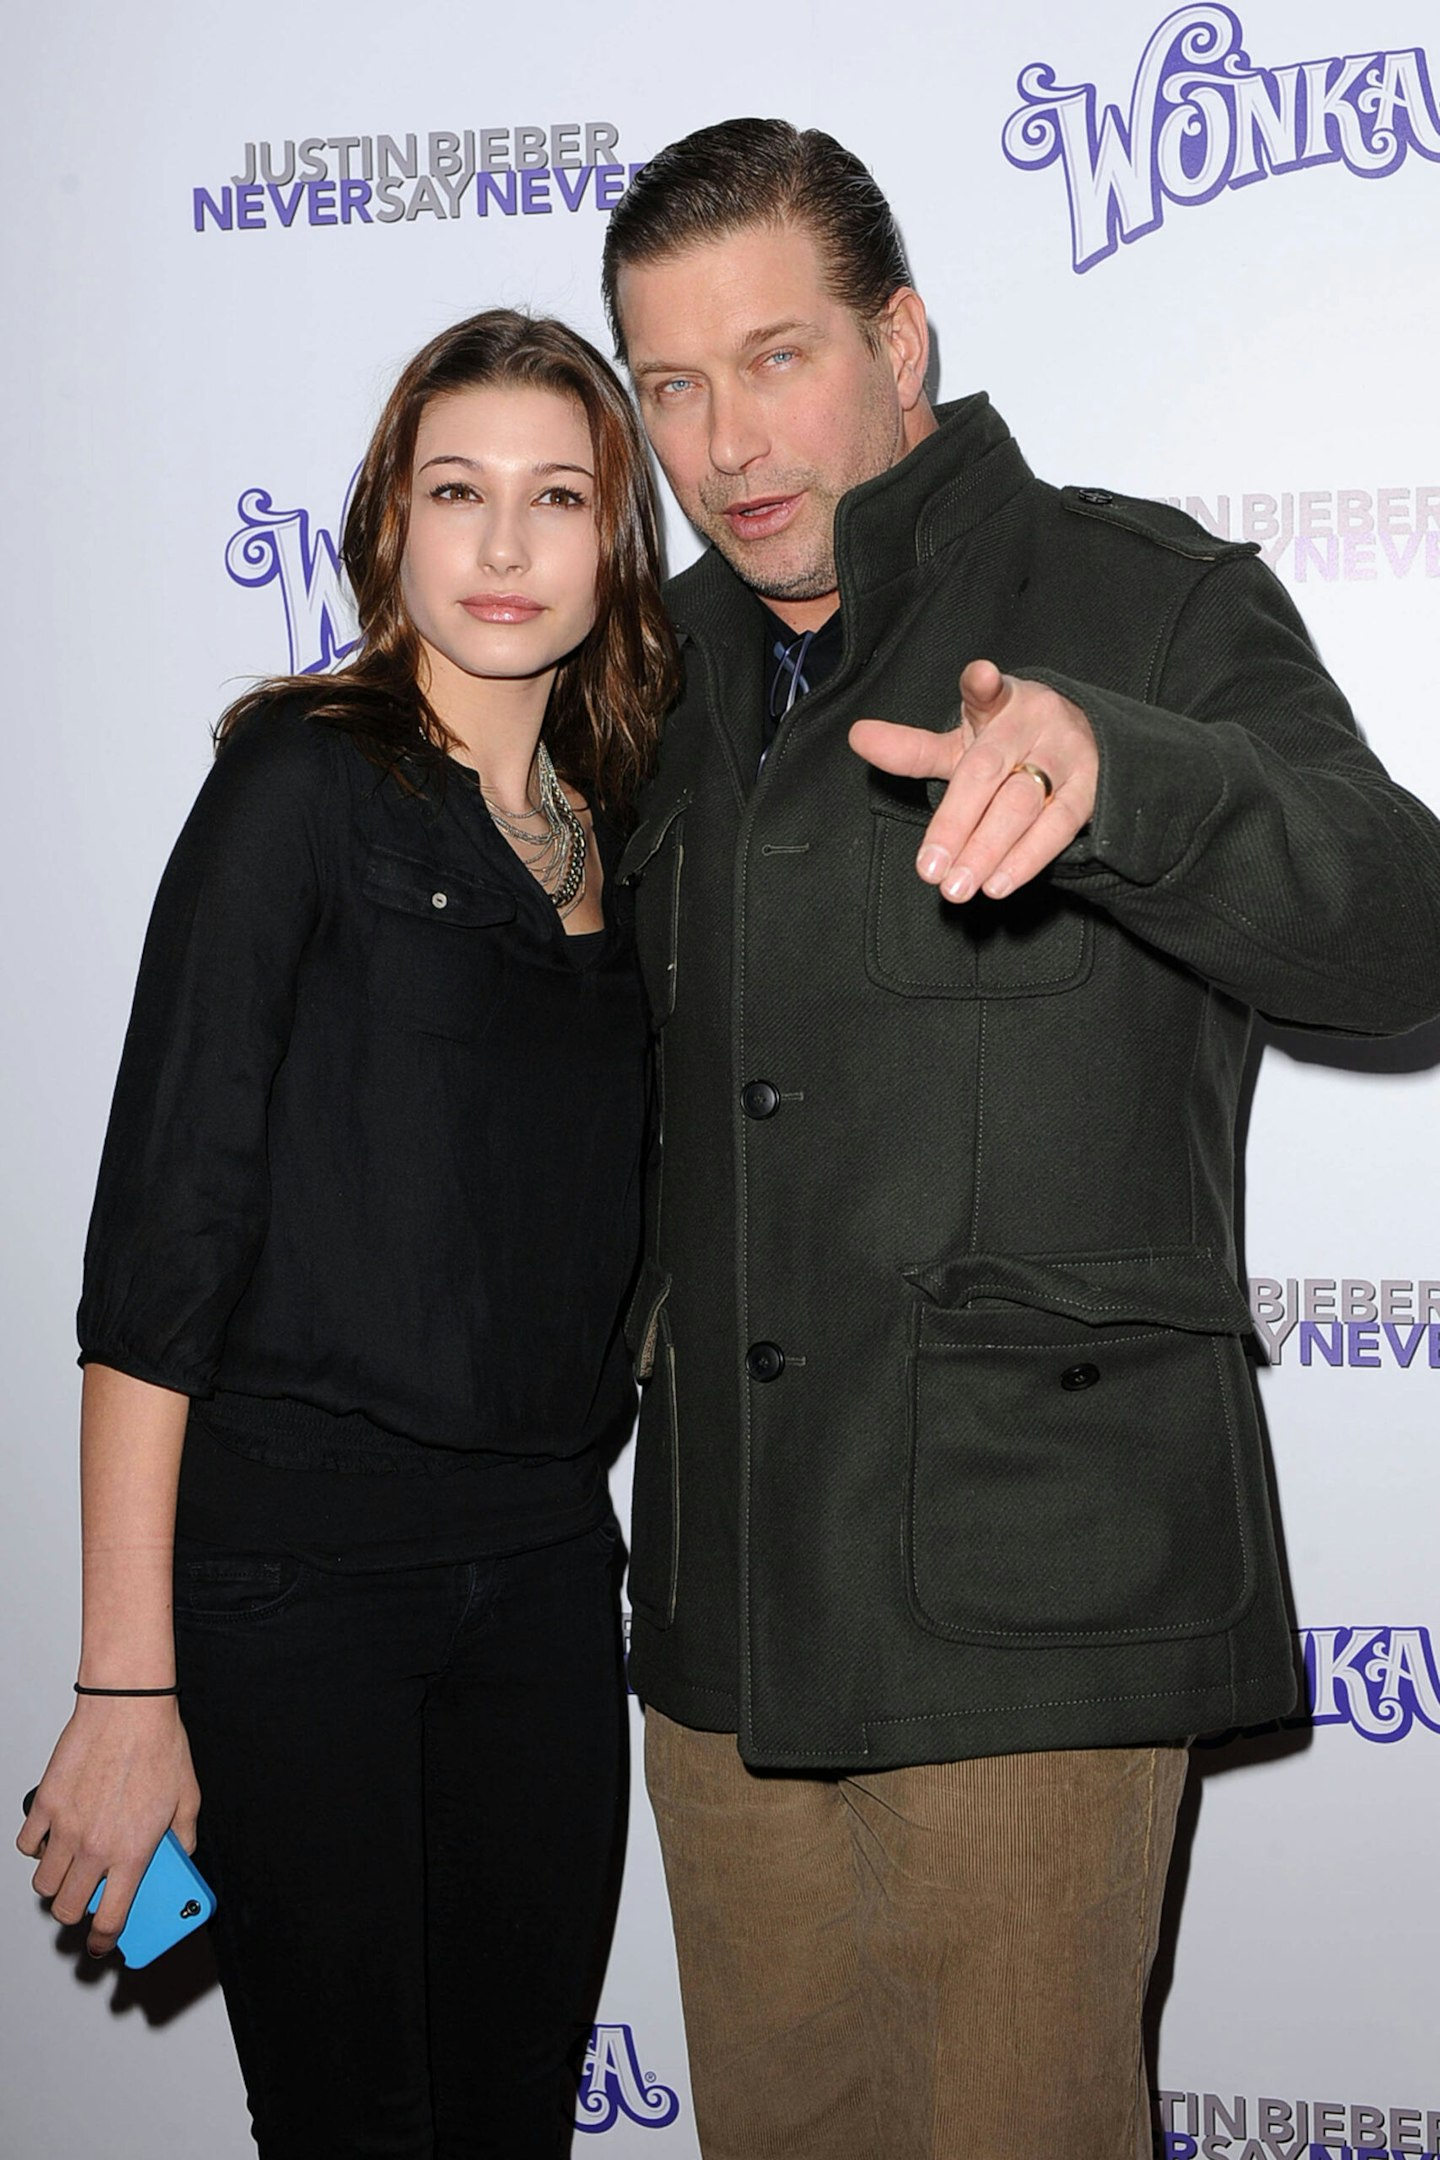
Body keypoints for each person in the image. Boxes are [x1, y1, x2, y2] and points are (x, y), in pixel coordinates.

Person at [598, 119, 1440, 2160]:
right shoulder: (651, 679)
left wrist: (1124, 779)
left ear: (904, 342)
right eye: (674, 384)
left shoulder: (1135, 596)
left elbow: (1400, 931)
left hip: (1033, 1617)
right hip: (722, 1635)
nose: (728, 441)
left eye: (779, 357)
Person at [17, 309, 680, 2158]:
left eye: (556, 498)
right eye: (456, 492)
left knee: (509, 2122)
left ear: (613, 543)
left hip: (549, 1582)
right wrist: (125, 1684)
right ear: (387, 522)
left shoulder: (622, 834)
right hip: (294, 1586)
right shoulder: (296, 789)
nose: (500, 544)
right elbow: (159, 1254)